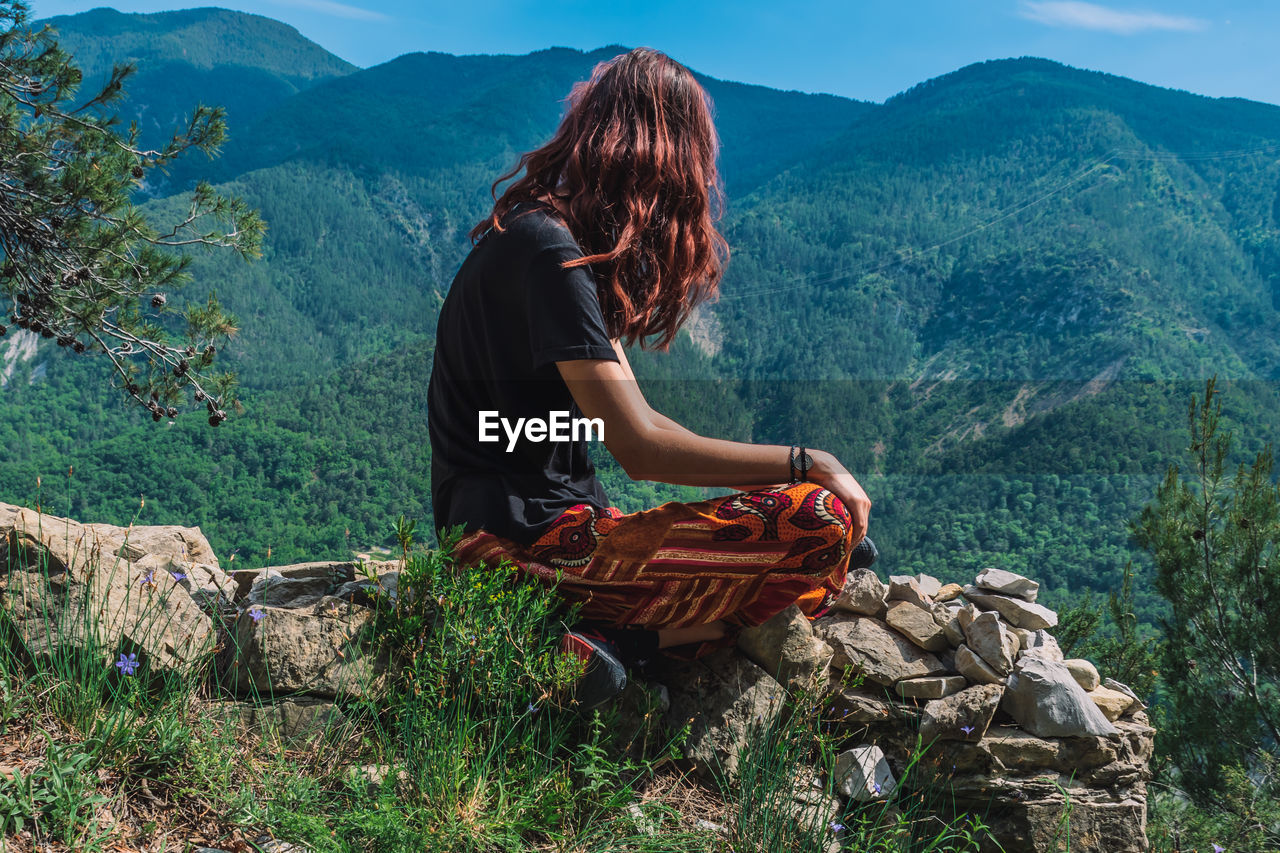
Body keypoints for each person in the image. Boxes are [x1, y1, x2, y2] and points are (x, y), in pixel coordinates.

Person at [427, 47, 875, 708]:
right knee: (819, 523)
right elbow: (639, 447)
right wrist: (808, 464)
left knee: (826, 537)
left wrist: (792, 472)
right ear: (663, 157)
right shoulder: (550, 251)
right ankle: (600, 634)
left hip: (526, 539)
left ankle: (604, 642)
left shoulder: (552, 245)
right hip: (524, 550)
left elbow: (643, 423)